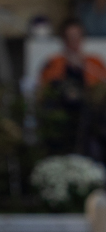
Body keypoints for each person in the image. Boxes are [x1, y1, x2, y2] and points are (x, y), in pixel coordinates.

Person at [36, 18, 106, 159]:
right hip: (62, 113)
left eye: (77, 37)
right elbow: (44, 90)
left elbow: (101, 88)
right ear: (63, 39)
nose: (74, 41)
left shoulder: (94, 63)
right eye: (70, 37)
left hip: (90, 115)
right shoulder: (53, 63)